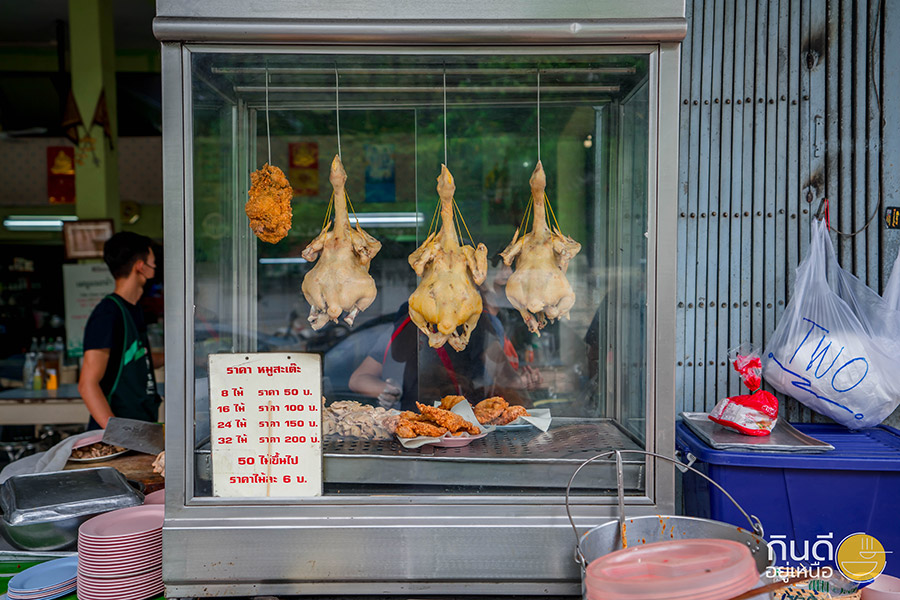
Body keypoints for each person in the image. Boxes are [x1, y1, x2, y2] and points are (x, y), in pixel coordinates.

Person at [78, 232, 164, 430]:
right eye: (153, 262)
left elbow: (135, 357)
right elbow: (87, 384)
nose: (156, 268)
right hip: (118, 436)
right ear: (140, 266)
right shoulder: (108, 314)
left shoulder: (133, 309)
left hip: (140, 427)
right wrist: (117, 434)